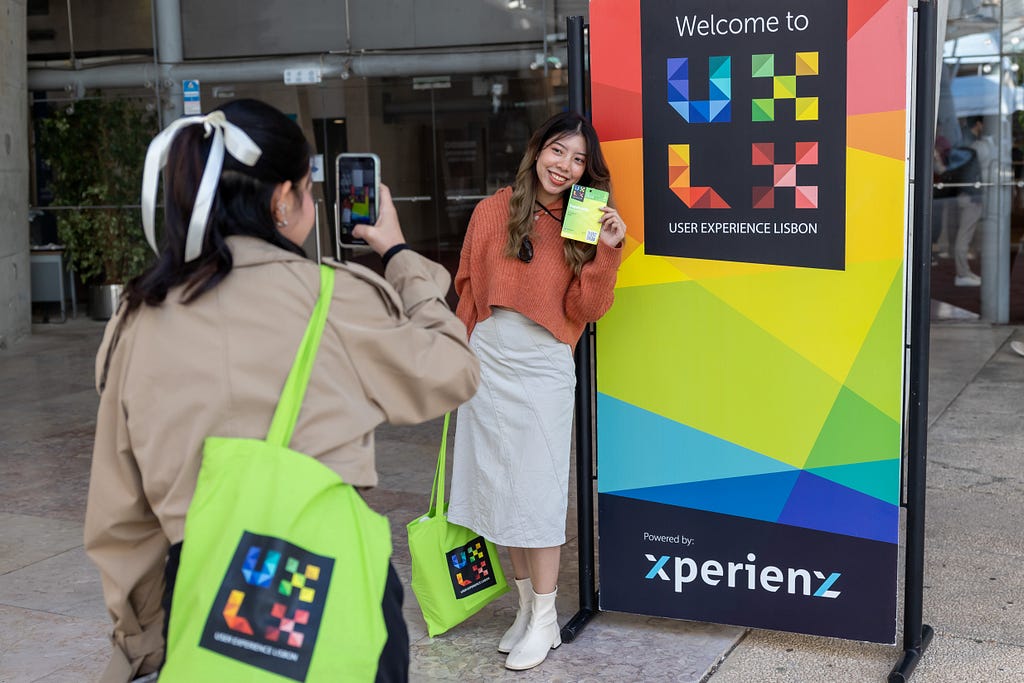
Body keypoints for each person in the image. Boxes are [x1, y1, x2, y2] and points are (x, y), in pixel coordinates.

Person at [84, 99, 480, 683]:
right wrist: (399, 256)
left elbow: (122, 516)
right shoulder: (332, 298)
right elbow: (453, 368)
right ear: (282, 200)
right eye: (310, 188)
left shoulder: (136, 318)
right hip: (332, 584)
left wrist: (145, 640)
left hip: (201, 590)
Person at [446, 111, 626, 671]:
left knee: (539, 492)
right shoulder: (493, 209)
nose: (566, 167)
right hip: (488, 355)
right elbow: (467, 286)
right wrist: (461, 352)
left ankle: (546, 616)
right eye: (558, 151)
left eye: (578, 160)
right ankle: (525, 609)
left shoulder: (583, 217)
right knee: (499, 488)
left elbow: (586, 309)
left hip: (544, 362)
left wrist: (607, 253)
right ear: (537, 150)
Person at [954, 116, 991, 287]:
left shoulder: (967, 140)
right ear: (978, 124)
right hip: (970, 194)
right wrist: (975, 194)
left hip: (966, 193)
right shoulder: (971, 142)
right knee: (965, 234)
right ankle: (962, 273)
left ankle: (964, 272)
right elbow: (969, 171)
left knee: (965, 233)